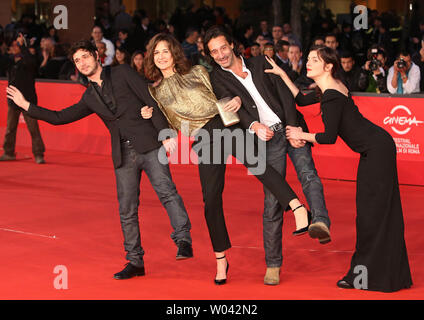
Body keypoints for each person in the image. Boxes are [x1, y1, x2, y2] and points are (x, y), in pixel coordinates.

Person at [6, 40, 194, 280]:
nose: (82, 63)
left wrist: (164, 132)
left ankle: (183, 240)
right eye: (77, 60)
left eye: (85, 56)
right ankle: (135, 261)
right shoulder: (89, 97)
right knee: (127, 210)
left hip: (149, 145)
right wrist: (26, 105)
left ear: (96, 55)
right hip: (123, 154)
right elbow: (60, 117)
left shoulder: (122, 72)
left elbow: (150, 97)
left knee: (167, 192)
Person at [140, 33, 311, 286]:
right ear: (152, 59)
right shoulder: (155, 92)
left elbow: (224, 91)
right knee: (211, 200)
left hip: (224, 125)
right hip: (201, 139)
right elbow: (165, 123)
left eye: (165, 51)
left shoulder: (198, 71)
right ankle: (221, 259)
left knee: (255, 163)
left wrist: (237, 98)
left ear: (174, 53)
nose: (161, 57)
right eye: (156, 53)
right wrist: (148, 117)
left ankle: (297, 208)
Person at [265, 45, 412, 292]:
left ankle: (365, 277)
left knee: (371, 214)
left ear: (328, 66)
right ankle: (385, 275)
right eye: (308, 59)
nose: (308, 63)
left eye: (314, 60)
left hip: (377, 151)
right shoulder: (329, 89)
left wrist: (303, 134)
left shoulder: (332, 94)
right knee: (377, 212)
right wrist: (282, 73)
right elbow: (301, 99)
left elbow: (328, 137)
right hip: (376, 148)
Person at [205, 27, 331, 285]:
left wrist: (293, 127)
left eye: (222, 48)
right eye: (213, 51)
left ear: (232, 44)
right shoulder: (217, 79)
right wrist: (253, 126)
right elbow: (230, 113)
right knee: (273, 202)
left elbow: (286, 96)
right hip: (267, 140)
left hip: (291, 128)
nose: (220, 54)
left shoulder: (262, 61)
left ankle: (319, 221)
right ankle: (273, 264)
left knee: (308, 175)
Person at [0, 33, 45, 164]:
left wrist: (23, 46)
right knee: (10, 128)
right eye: (13, 45)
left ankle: (38, 154)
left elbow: (31, 62)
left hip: (28, 99)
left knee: (33, 128)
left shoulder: (29, 58)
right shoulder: (9, 60)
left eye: (16, 45)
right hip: (12, 98)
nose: (14, 47)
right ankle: (8, 153)